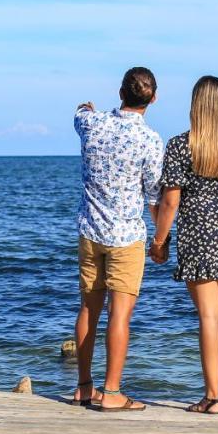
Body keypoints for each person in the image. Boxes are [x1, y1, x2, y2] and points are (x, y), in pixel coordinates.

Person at [150, 75, 218, 415]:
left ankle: (210, 397)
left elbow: (170, 202)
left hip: (197, 227)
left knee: (207, 317)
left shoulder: (182, 146)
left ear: (195, 104)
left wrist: (159, 241)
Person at [71, 66, 164, 412]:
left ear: (120, 92)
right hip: (126, 236)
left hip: (90, 231)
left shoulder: (91, 125)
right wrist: (161, 239)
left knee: (88, 309)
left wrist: (87, 108)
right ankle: (111, 393)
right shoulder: (151, 141)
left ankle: (83, 387)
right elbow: (154, 197)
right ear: (152, 99)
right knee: (119, 317)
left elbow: (79, 114)